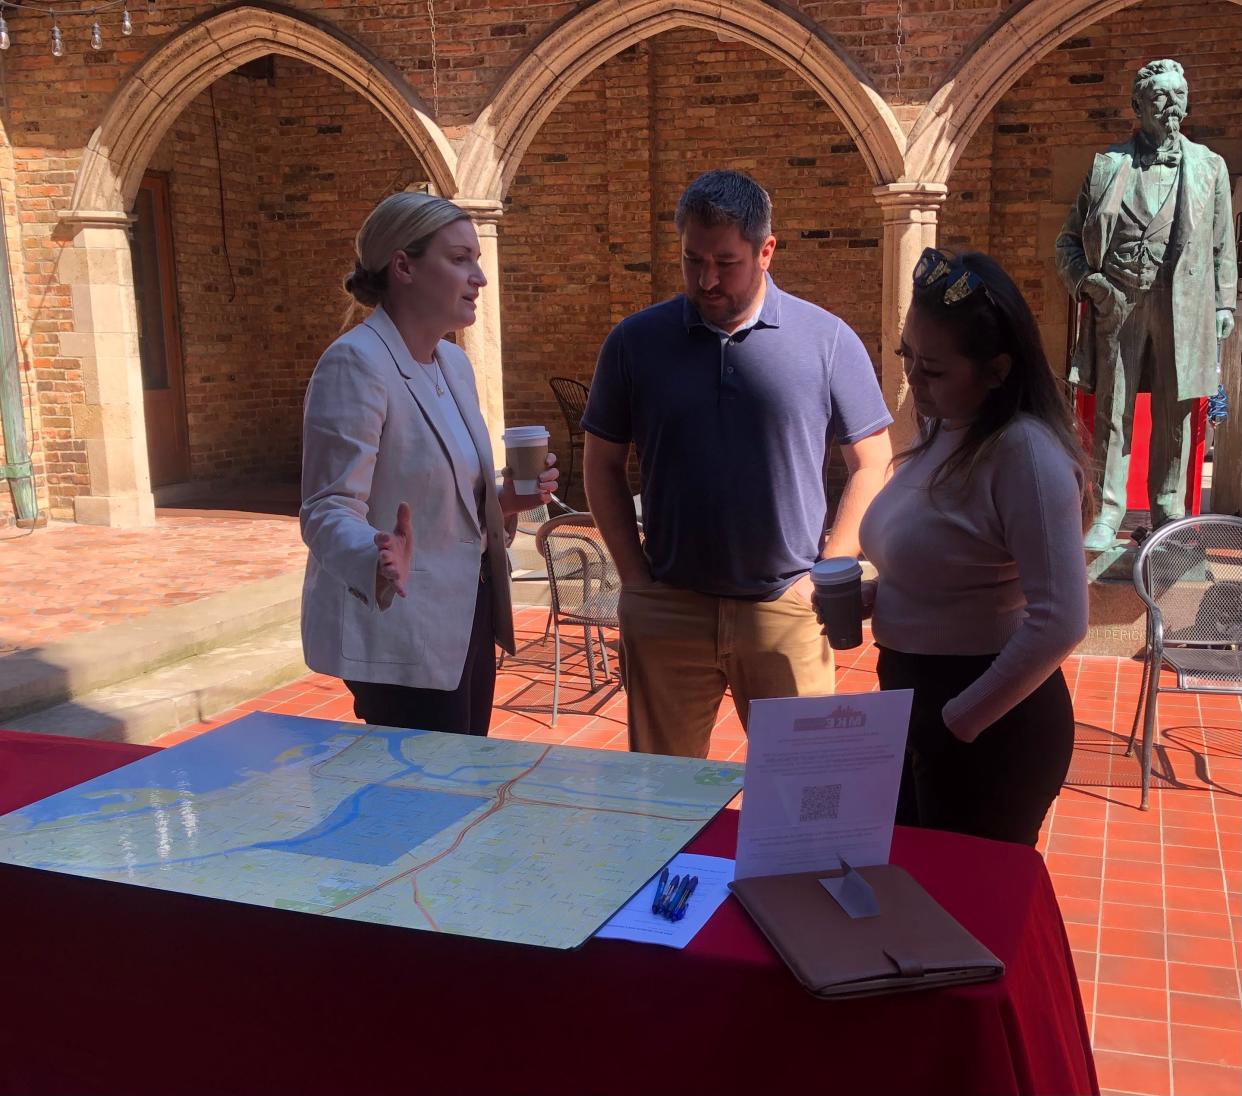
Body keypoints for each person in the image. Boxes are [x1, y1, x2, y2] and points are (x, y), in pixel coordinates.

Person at [583, 169, 893, 758]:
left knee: (803, 796)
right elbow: (601, 463)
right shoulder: (635, 342)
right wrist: (636, 580)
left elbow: (874, 460)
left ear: (767, 250)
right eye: (691, 259)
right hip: (670, 604)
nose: (706, 279)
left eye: (726, 262)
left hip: (786, 604)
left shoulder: (826, 339)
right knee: (662, 801)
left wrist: (827, 574)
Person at [856, 248, 1090, 846]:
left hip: (987, 716)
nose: (913, 379)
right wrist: (872, 594)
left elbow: (1061, 619)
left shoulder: (1024, 454)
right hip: (923, 702)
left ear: (996, 370)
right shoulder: (946, 429)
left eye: (933, 369)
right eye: (907, 355)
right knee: (916, 894)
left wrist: (957, 721)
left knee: (962, 914)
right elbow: (952, 567)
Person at [300, 192, 557, 735]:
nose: (479, 278)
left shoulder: (454, 363)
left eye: (476, 261)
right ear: (404, 267)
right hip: (403, 627)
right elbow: (326, 508)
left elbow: (456, 496)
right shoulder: (356, 362)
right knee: (419, 805)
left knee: (462, 786)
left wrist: (506, 504)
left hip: (468, 616)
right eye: (460, 259)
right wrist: (374, 556)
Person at [1056, 58, 1237, 551]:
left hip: (1185, 305)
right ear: (1137, 105)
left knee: (1176, 413)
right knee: (1113, 412)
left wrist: (1224, 305)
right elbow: (1066, 243)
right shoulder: (1106, 166)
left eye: (1178, 94)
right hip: (1119, 303)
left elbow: (1224, 245)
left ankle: (1169, 516)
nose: (1171, 104)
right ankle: (1108, 513)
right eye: (1159, 96)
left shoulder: (1209, 167)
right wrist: (1090, 283)